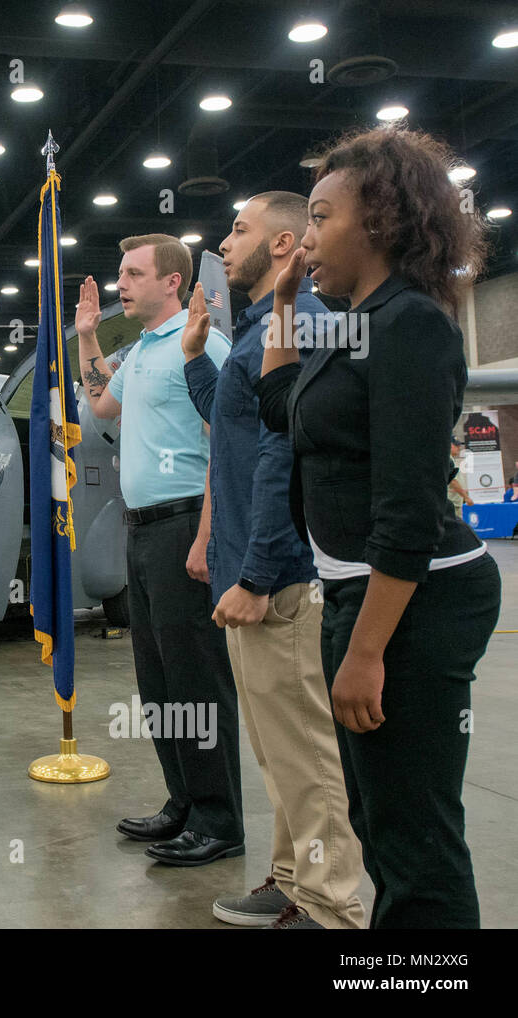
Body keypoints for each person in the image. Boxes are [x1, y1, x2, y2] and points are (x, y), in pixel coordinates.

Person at [257, 127, 500, 928]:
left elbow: (409, 513)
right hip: (361, 593)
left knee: (415, 840)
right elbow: (277, 409)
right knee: (377, 819)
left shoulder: (411, 326)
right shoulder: (348, 322)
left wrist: (365, 653)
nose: (308, 239)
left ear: (381, 222)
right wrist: (287, 303)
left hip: (415, 603)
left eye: (322, 217)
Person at [182, 193, 365, 929]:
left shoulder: (303, 326)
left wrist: (258, 575)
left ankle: (331, 908)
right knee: (280, 752)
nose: (225, 246)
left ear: (284, 244)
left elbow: (287, 458)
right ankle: (293, 883)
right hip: (255, 573)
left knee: (309, 758)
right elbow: (237, 422)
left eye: (239, 230)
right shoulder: (259, 332)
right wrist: (197, 360)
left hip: (282, 581)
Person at [76, 235, 244, 866]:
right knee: (159, 683)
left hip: (184, 528)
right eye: (120, 272)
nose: (120, 282)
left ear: (171, 282)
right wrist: (88, 335)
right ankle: (185, 802)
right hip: (142, 531)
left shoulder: (201, 344)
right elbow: (100, 403)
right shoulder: (144, 350)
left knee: (197, 680)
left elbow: (223, 443)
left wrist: (206, 536)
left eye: (133, 273)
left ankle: (220, 820)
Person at [447, 439, 473, 517]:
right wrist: (466, 497)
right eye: (456, 446)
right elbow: (453, 481)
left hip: (455, 502)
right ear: (449, 445)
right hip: (452, 502)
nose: (459, 448)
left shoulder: (451, 459)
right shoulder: (449, 460)